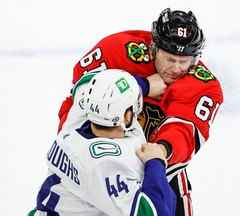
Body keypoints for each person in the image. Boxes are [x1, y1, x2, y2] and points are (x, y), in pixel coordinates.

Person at [58, 8, 224, 216]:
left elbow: (184, 130)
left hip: (155, 163)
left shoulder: (203, 85)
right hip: (95, 157)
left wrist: (160, 152)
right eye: (170, 59)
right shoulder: (117, 50)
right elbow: (84, 95)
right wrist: (141, 85)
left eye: (184, 61)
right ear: (153, 48)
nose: (176, 68)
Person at [29, 70, 176, 216]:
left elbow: (87, 81)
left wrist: (145, 85)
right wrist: (155, 161)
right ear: (127, 115)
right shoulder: (107, 164)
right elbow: (156, 212)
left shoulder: (75, 122)